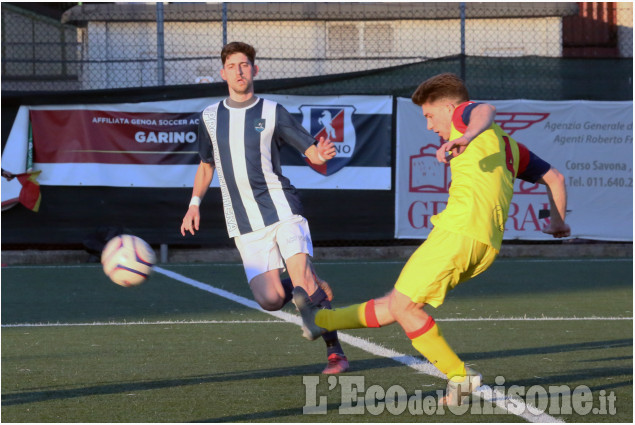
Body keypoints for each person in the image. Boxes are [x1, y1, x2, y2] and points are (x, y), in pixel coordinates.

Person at [294, 73, 570, 403]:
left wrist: (466, 135)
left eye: (428, 115)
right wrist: (557, 221)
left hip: (460, 233)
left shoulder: (464, 115)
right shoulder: (509, 145)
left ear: (452, 108)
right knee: (398, 303)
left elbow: (485, 109)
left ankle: (460, 376)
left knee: (403, 305)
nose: (428, 126)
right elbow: (555, 178)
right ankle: (321, 320)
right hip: (483, 245)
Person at [180, 41, 349, 374]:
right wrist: (193, 204)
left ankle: (335, 351)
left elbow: (311, 151)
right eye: (232, 66)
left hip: (282, 208)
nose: (239, 71)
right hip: (244, 222)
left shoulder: (272, 112)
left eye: (245, 65)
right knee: (270, 299)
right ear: (222, 72)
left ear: (255, 70)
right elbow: (205, 165)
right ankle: (309, 288)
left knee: (301, 280)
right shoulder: (210, 117)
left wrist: (322, 154)